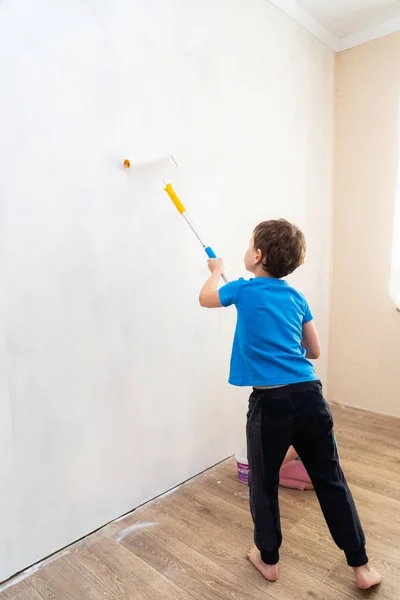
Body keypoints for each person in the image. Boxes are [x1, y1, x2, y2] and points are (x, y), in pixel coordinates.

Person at [198, 219, 381, 591]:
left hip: (271, 403)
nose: (247, 250)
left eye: (250, 244)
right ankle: (362, 567)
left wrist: (217, 272)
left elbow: (205, 298)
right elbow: (313, 351)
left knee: (263, 483)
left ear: (258, 255)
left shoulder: (243, 290)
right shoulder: (296, 298)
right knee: (331, 480)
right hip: (311, 396)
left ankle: (267, 560)